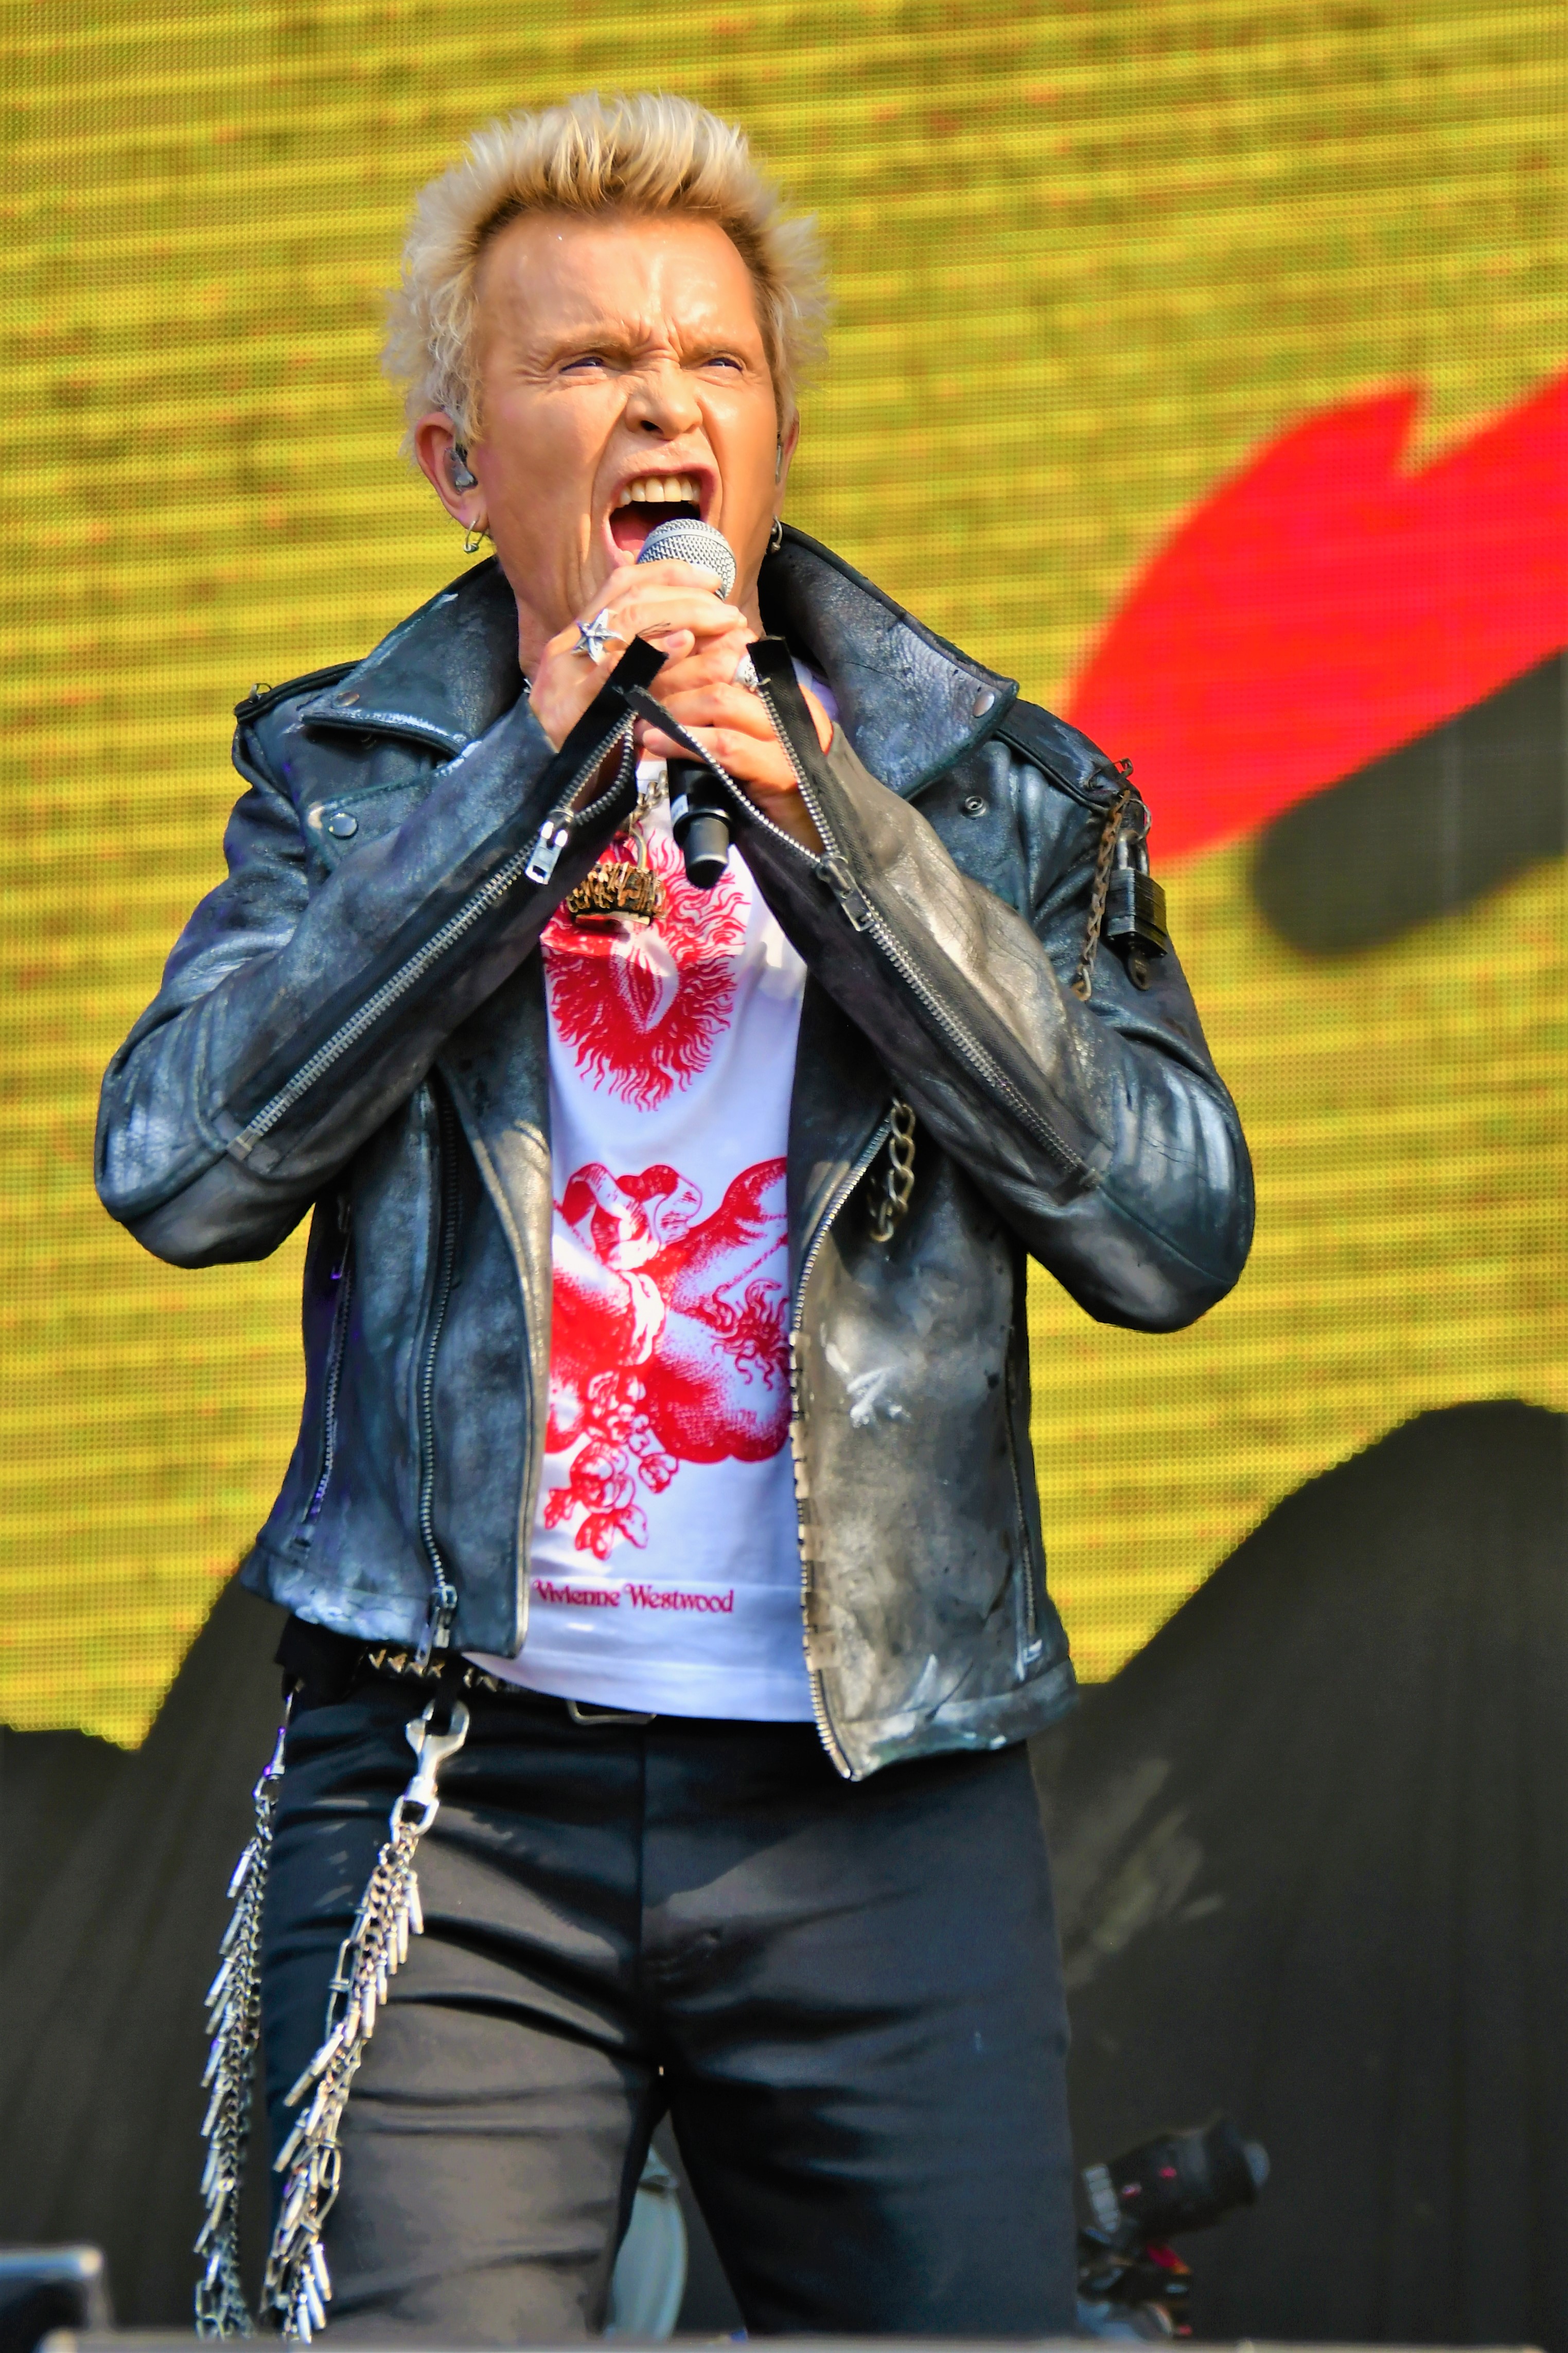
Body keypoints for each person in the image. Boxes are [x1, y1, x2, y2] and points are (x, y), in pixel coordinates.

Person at [97, 92, 1253, 2344]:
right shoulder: (355, 782)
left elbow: (1165, 1226)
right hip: (454, 1793)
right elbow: (187, 1166)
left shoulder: (984, 792)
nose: (660, 403)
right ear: (461, 463)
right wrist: (517, 797)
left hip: (877, 1785)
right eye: (588, 361)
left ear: (775, 435)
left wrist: (824, 829)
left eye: (714, 359)